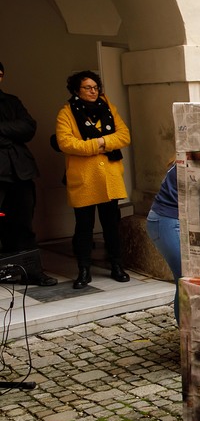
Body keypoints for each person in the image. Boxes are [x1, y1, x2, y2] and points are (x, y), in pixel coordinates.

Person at [56, 70, 132, 289]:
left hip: (109, 177)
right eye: (87, 88)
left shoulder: (109, 108)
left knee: (111, 225)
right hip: (84, 179)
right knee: (84, 227)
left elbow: (124, 135)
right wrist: (97, 144)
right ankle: (84, 270)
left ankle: (117, 265)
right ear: (76, 90)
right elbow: (66, 142)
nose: (93, 91)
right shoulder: (66, 112)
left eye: (96, 87)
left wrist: (101, 142)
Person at [0, 62, 57, 286]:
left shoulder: (11, 101)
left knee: (24, 224)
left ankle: (32, 271)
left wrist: (2, 129)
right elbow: (19, 129)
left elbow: (28, 127)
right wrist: (11, 130)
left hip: (20, 172)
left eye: (0, 74)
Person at [146, 163, 180, 322]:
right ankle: (187, 332)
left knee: (186, 280)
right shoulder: (189, 161)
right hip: (167, 222)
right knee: (185, 280)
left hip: (171, 221)